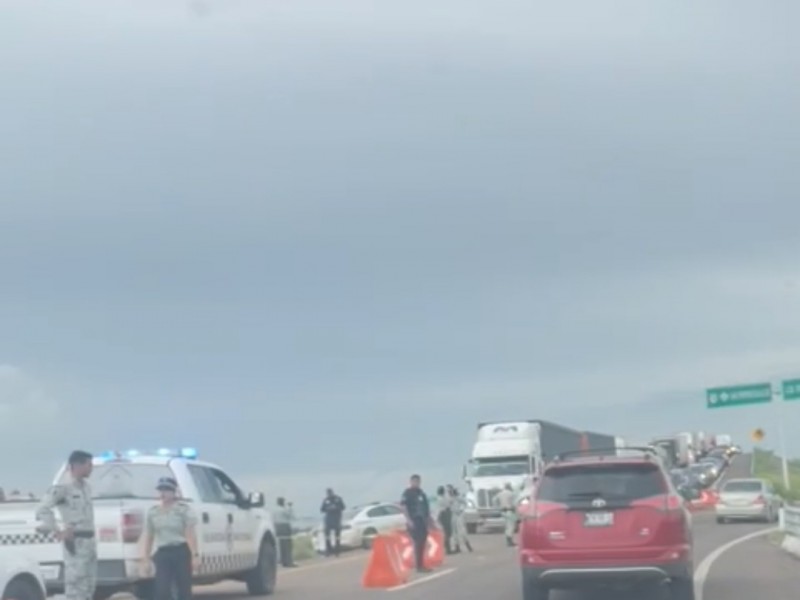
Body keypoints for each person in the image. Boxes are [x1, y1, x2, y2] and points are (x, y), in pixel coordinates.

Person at [36, 450, 96, 600]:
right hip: (75, 541)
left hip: (89, 541)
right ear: (77, 465)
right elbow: (43, 508)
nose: (91, 468)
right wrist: (57, 530)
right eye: (89, 464)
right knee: (76, 585)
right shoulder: (63, 487)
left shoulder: (86, 487)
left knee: (89, 585)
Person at [139, 477, 199, 600]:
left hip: (180, 551)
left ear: (174, 492)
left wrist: (195, 555)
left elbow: (190, 534)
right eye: (161, 490)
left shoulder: (183, 510)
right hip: (163, 553)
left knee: (184, 588)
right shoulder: (153, 512)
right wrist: (146, 558)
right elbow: (149, 536)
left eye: (166, 490)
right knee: (162, 590)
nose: (163, 493)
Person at [400, 474, 436, 573]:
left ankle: (421, 564)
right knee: (418, 542)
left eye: (418, 481)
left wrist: (431, 523)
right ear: (411, 482)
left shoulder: (421, 493)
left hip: (423, 521)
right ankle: (418, 566)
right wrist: (408, 520)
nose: (416, 483)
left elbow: (426, 509)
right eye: (414, 481)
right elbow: (403, 507)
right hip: (414, 521)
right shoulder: (407, 493)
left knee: (423, 543)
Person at [320, 488, 345, 556]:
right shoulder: (326, 500)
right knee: (327, 536)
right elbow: (322, 509)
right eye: (328, 493)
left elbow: (343, 507)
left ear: (332, 492)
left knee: (337, 536)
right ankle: (329, 551)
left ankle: (337, 551)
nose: (329, 494)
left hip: (336, 519)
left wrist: (336, 507)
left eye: (330, 493)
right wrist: (328, 508)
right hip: (328, 520)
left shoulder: (338, 499)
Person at [447, 485, 472, 553]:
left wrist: (461, 510)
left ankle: (467, 545)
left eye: (450, 491)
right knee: (454, 532)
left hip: (459, 515)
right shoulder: (450, 499)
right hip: (453, 515)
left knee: (462, 531)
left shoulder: (458, 498)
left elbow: (465, 503)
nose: (449, 492)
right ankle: (457, 546)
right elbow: (448, 506)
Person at [274, 497, 297, 567]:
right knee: (287, 545)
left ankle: (283, 561)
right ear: (282, 502)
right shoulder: (284, 510)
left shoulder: (274, 510)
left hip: (277, 527)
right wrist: (290, 507)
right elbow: (292, 517)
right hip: (284, 526)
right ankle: (289, 562)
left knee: (281, 545)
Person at [495, 482, 517, 547]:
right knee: (511, 526)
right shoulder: (511, 494)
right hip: (510, 511)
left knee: (507, 527)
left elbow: (494, 500)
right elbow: (514, 503)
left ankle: (508, 541)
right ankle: (510, 541)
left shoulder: (500, 494)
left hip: (503, 511)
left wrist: (498, 506)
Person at [435, 486, 454, 555]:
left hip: (442, 515)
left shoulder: (440, 498)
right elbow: (449, 503)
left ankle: (447, 549)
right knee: (447, 533)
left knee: (446, 533)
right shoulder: (441, 499)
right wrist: (450, 493)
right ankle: (447, 549)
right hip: (443, 515)